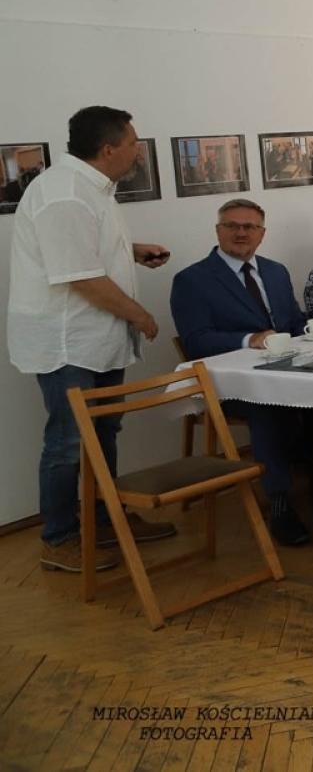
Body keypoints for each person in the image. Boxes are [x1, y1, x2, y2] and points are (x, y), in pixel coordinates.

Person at [8, 106, 174, 574]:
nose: (138, 152)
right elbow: (80, 277)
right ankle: (60, 538)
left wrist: (130, 251)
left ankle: (104, 520)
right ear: (108, 148)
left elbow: (82, 249)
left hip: (96, 339)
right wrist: (140, 315)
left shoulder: (91, 188)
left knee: (103, 431)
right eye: (133, 144)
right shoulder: (64, 193)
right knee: (67, 441)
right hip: (68, 343)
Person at [171, 199, 313, 546]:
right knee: (266, 405)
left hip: (289, 371)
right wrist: (250, 339)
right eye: (232, 226)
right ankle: (279, 502)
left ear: (262, 234)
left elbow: (294, 323)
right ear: (217, 231)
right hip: (233, 387)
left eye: (249, 227)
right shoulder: (192, 280)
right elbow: (196, 341)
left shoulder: (275, 271)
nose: (241, 233)